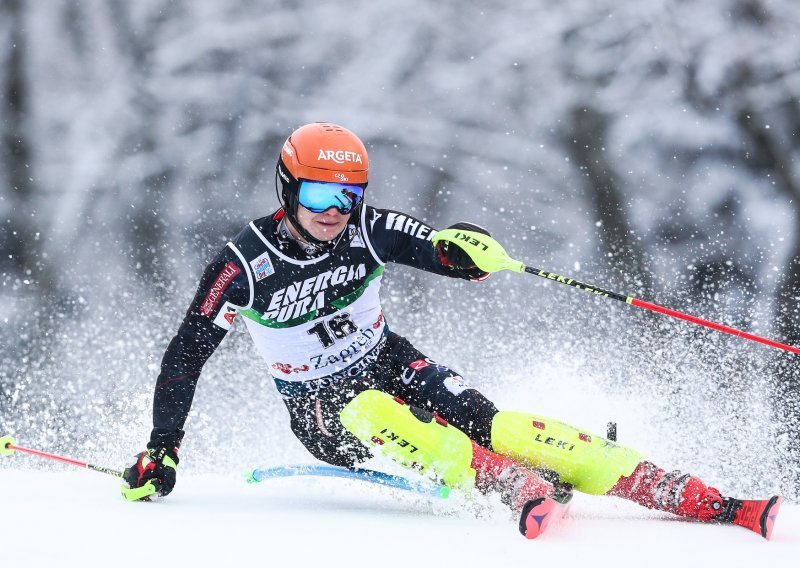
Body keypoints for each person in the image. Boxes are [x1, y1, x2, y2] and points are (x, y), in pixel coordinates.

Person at [124, 122, 780, 538]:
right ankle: (512, 484)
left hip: (388, 359)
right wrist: (164, 447)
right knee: (374, 410)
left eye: (348, 197)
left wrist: (471, 253)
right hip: (320, 407)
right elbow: (187, 353)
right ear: (288, 189)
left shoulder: (366, 228)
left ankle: (706, 500)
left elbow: (443, 251)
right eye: (321, 197)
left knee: (503, 427)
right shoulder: (244, 264)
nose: (335, 213)